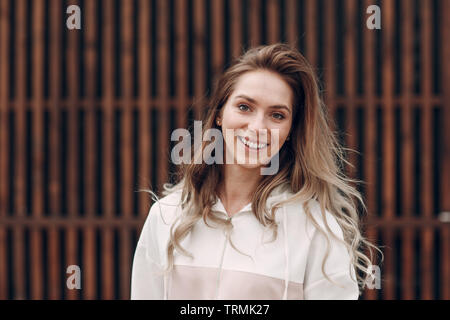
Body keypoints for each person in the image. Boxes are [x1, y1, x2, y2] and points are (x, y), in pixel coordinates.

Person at [131, 43, 382, 300]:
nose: (258, 126)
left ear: (290, 131)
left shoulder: (316, 230)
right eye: (244, 107)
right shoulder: (166, 215)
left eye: (276, 115)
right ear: (219, 114)